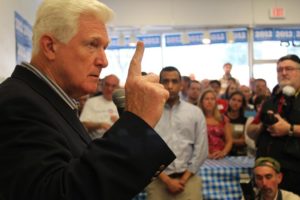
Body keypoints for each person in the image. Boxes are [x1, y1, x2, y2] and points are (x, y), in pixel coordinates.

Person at [0, 0, 176, 200]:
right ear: (50, 47)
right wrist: (137, 120)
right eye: (92, 45)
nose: (104, 60)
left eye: (104, 48)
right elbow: (60, 193)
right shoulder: (18, 103)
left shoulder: (48, 100)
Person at [146, 66, 208, 200]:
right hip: (158, 181)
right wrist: (167, 181)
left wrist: (184, 180)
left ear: (181, 85)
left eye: (174, 81)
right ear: (159, 84)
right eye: (165, 81)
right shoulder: (148, 112)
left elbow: (201, 149)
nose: (170, 86)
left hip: (188, 180)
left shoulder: (195, 112)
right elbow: (145, 150)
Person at [248, 54, 300, 195]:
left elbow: (288, 129)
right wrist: (262, 126)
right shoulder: (270, 100)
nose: (283, 73)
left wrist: (289, 129)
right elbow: (250, 131)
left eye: (289, 69)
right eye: (279, 70)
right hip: (268, 172)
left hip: (295, 171)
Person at [80, 74, 120, 139]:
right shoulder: (92, 102)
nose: (109, 89)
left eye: (113, 86)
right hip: (97, 141)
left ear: (118, 88)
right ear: (102, 86)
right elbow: (82, 124)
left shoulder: (122, 104)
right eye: (107, 85)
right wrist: (100, 125)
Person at [199, 88, 233, 159]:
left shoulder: (223, 119)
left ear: (216, 102)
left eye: (212, 99)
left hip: (220, 156)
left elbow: (229, 140)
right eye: (207, 99)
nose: (209, 101)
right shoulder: (196, 119)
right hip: (201, 157)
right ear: (202, 101)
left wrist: (223, 153)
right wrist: (205, 154)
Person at [225, 91, 248, 156]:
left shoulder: (246, 118)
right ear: (229, 101)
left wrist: (228, 141)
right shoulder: (222, 117)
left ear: (242, 104)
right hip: (223, 152)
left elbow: (245, 141)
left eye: (239, 101)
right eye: (233, 99)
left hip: (241, 153)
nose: (235, 103)